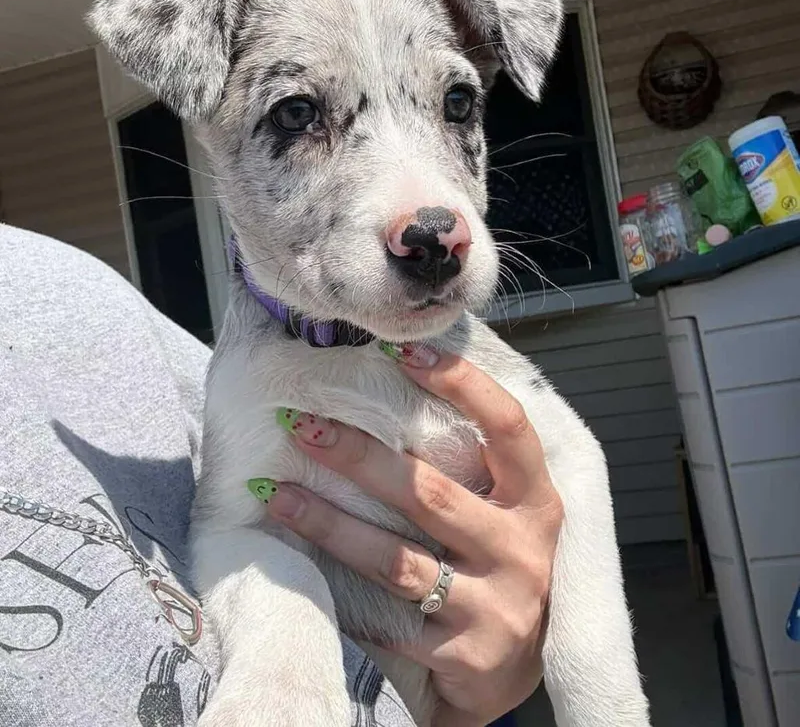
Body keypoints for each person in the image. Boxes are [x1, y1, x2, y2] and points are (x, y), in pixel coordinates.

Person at [0, 225, 562, 727]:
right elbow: (234, 527)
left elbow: (241, 517)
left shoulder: (67, 288)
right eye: (296, 119)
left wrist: (486, 685)